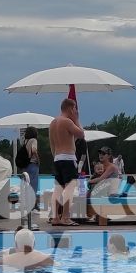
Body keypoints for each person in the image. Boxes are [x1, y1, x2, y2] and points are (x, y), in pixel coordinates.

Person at [49, 97, 84, 227]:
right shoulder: (68, 122)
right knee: (69, 188)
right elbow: (81, 134)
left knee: (58, 189)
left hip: (57, 158)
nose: (75, 110)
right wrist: (77, 119)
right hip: (68, 158)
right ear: (70, 108)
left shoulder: (53, 123)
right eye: (74, 108)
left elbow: (52, 143)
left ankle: (55, 217)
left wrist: (56, 156)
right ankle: (65, 217)